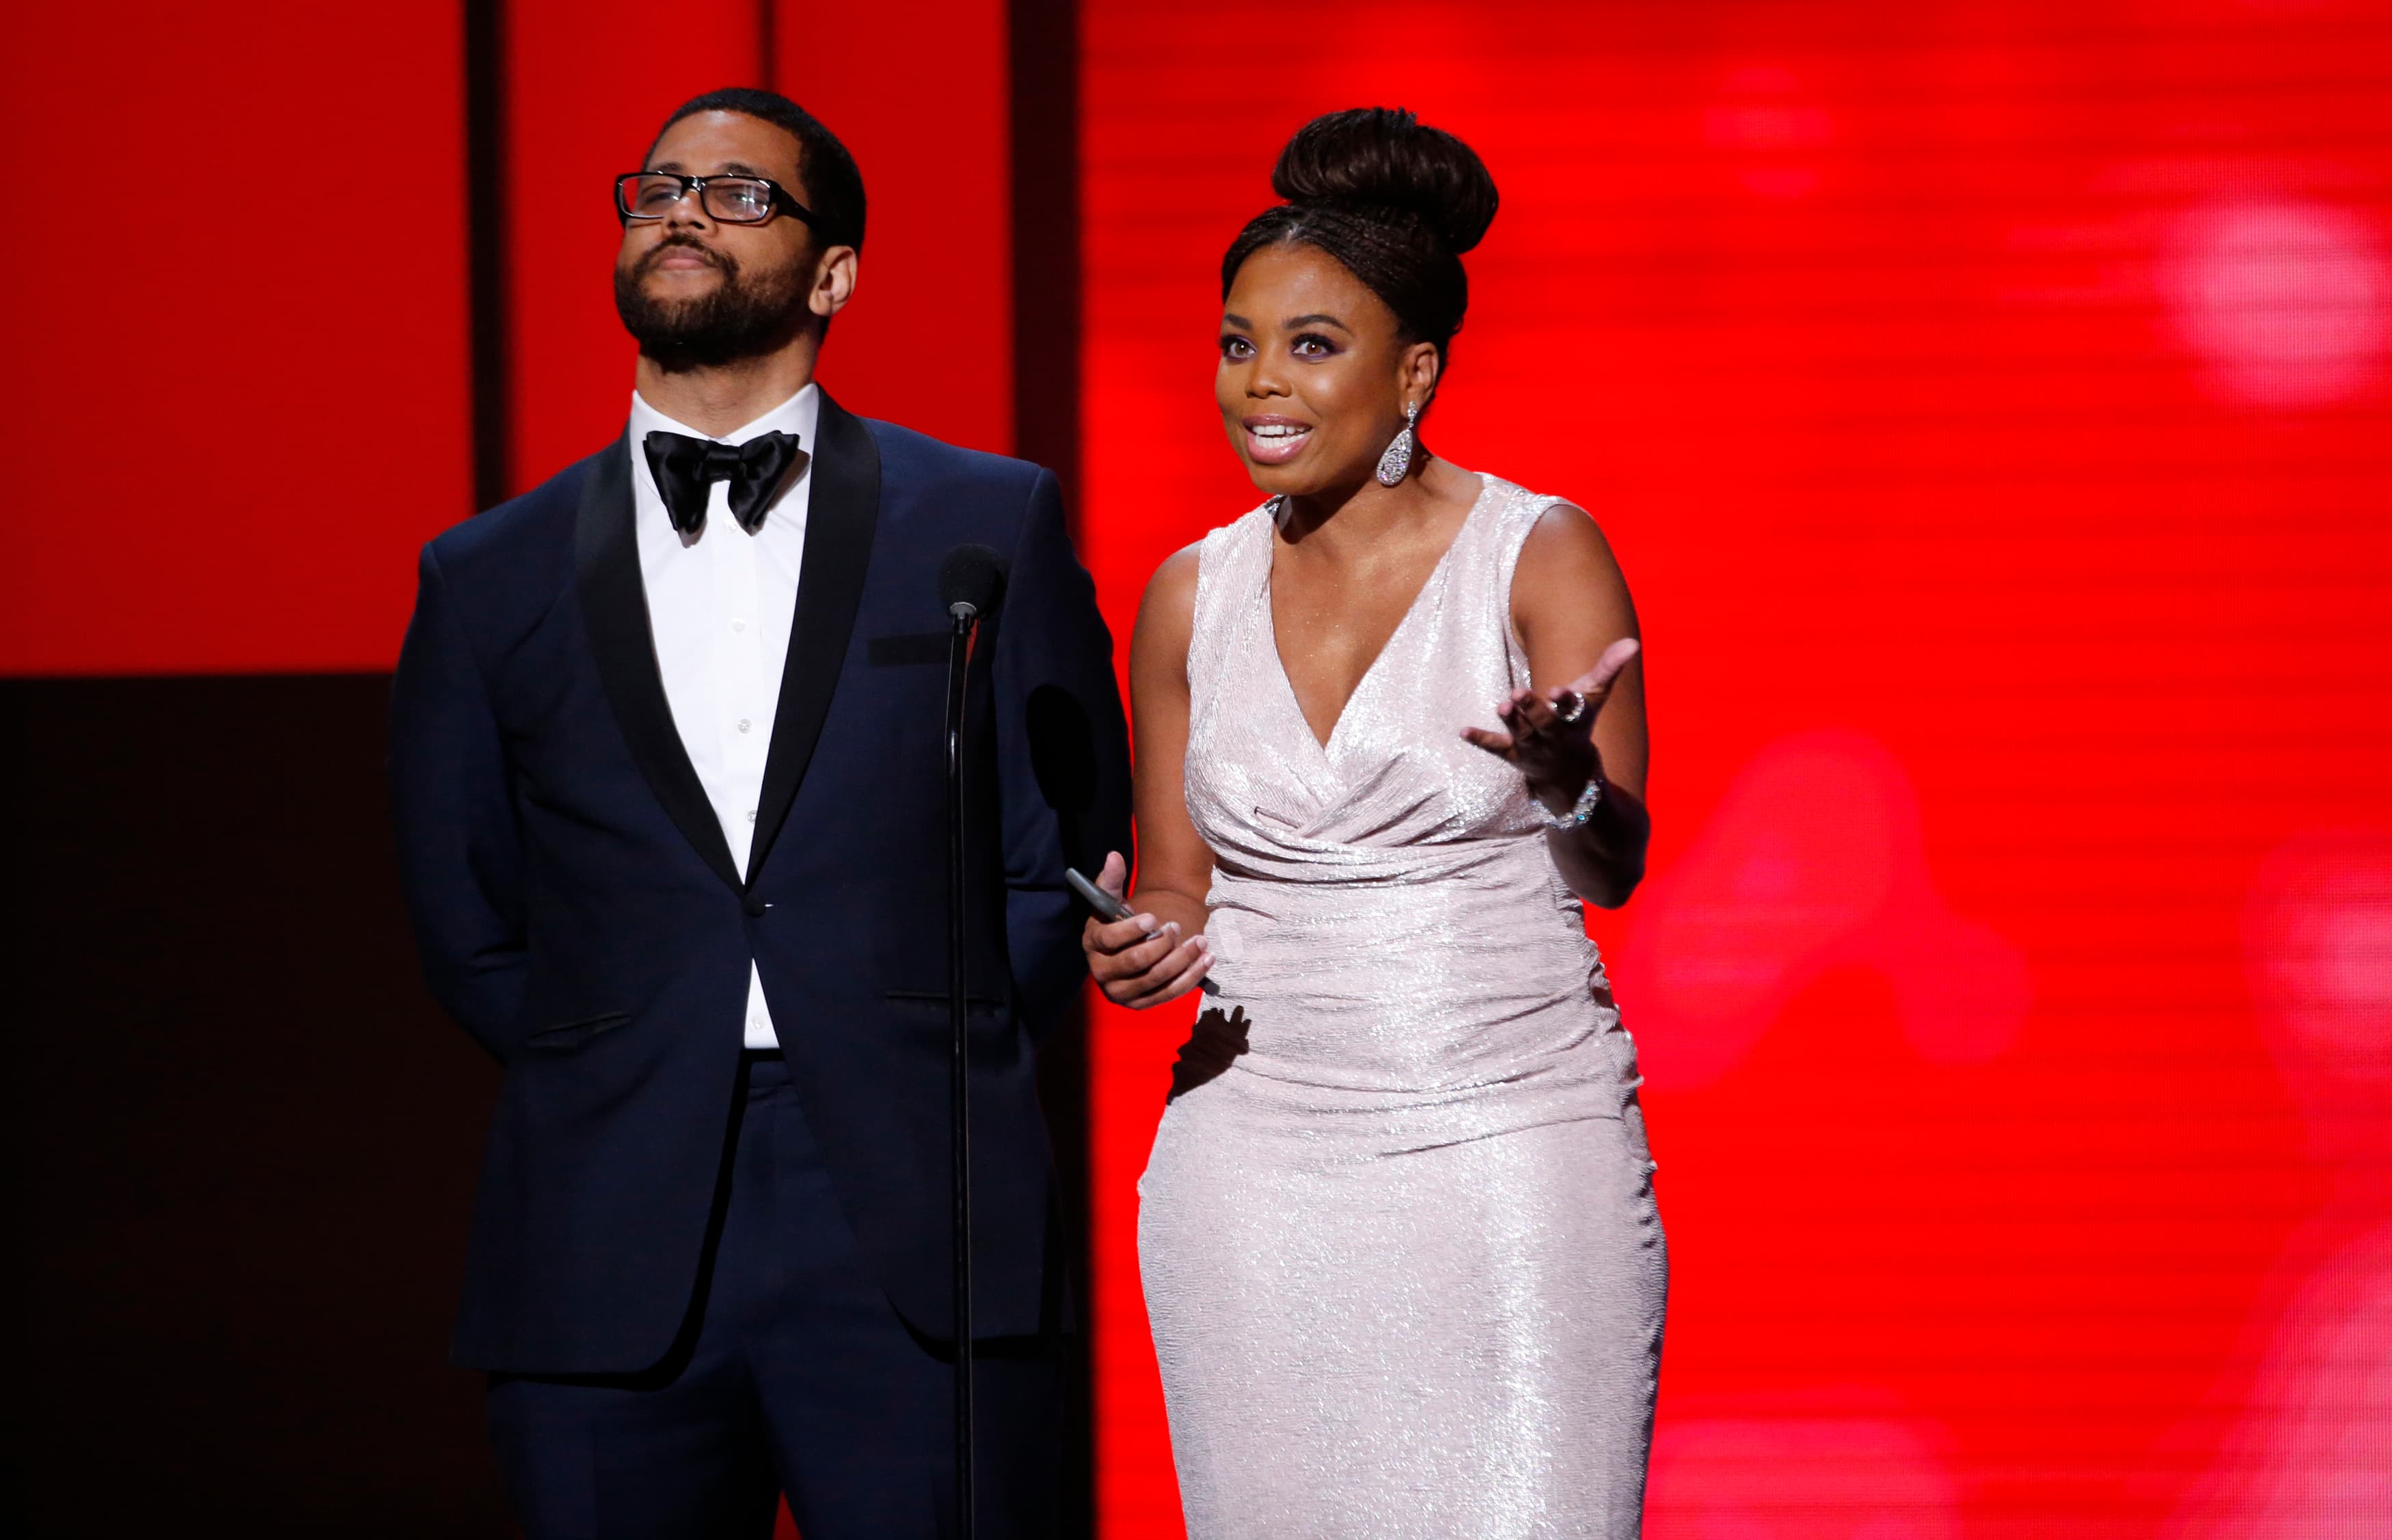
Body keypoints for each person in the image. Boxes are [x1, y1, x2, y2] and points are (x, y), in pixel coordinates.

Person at [390, 87, 1128, 1539]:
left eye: (737, 194)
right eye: (660, 186)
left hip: (916, 1210)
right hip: (606, 1216)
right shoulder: (486, 568)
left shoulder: (985, 517)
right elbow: (464, 909)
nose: (681, 209)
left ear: (835, 271)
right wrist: (626, 1053)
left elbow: (1065, 854)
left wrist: (935, 1045)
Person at [1083, 107, 1666, 1537]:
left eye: (1310, 345)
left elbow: (1615, 864)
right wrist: (1140, 938)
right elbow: (1177, 879)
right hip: (1253, 1156)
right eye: (1236, 343)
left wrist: (1561, 782)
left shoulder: (1537, 550)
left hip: (1509, 1142)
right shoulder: (1186, 593)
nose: (1259, 386)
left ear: (1415, 371)